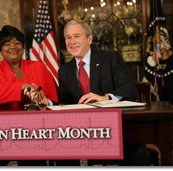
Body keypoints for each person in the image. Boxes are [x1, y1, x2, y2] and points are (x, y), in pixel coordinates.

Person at [56, 19, 146, 166]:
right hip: (82, 131)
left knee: (137, 149)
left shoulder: (111, 58)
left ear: (89, 39)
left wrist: (105, 98)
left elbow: (130, 90)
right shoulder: (64, 71)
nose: (71, 42)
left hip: (116, 127)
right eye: (68, 37)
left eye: (77, 36)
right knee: (60, 150)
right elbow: (64, 103)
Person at [0, 25, 58, 166]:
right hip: (1, 132)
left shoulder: (38, 66)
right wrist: (22, 86)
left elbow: (53, 98)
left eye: (17, 43)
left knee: (32, 163)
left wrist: (44, 101)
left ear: (23, 46)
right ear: (0, 49)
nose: (13, 47)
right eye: (7, 44)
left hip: (34, 131)